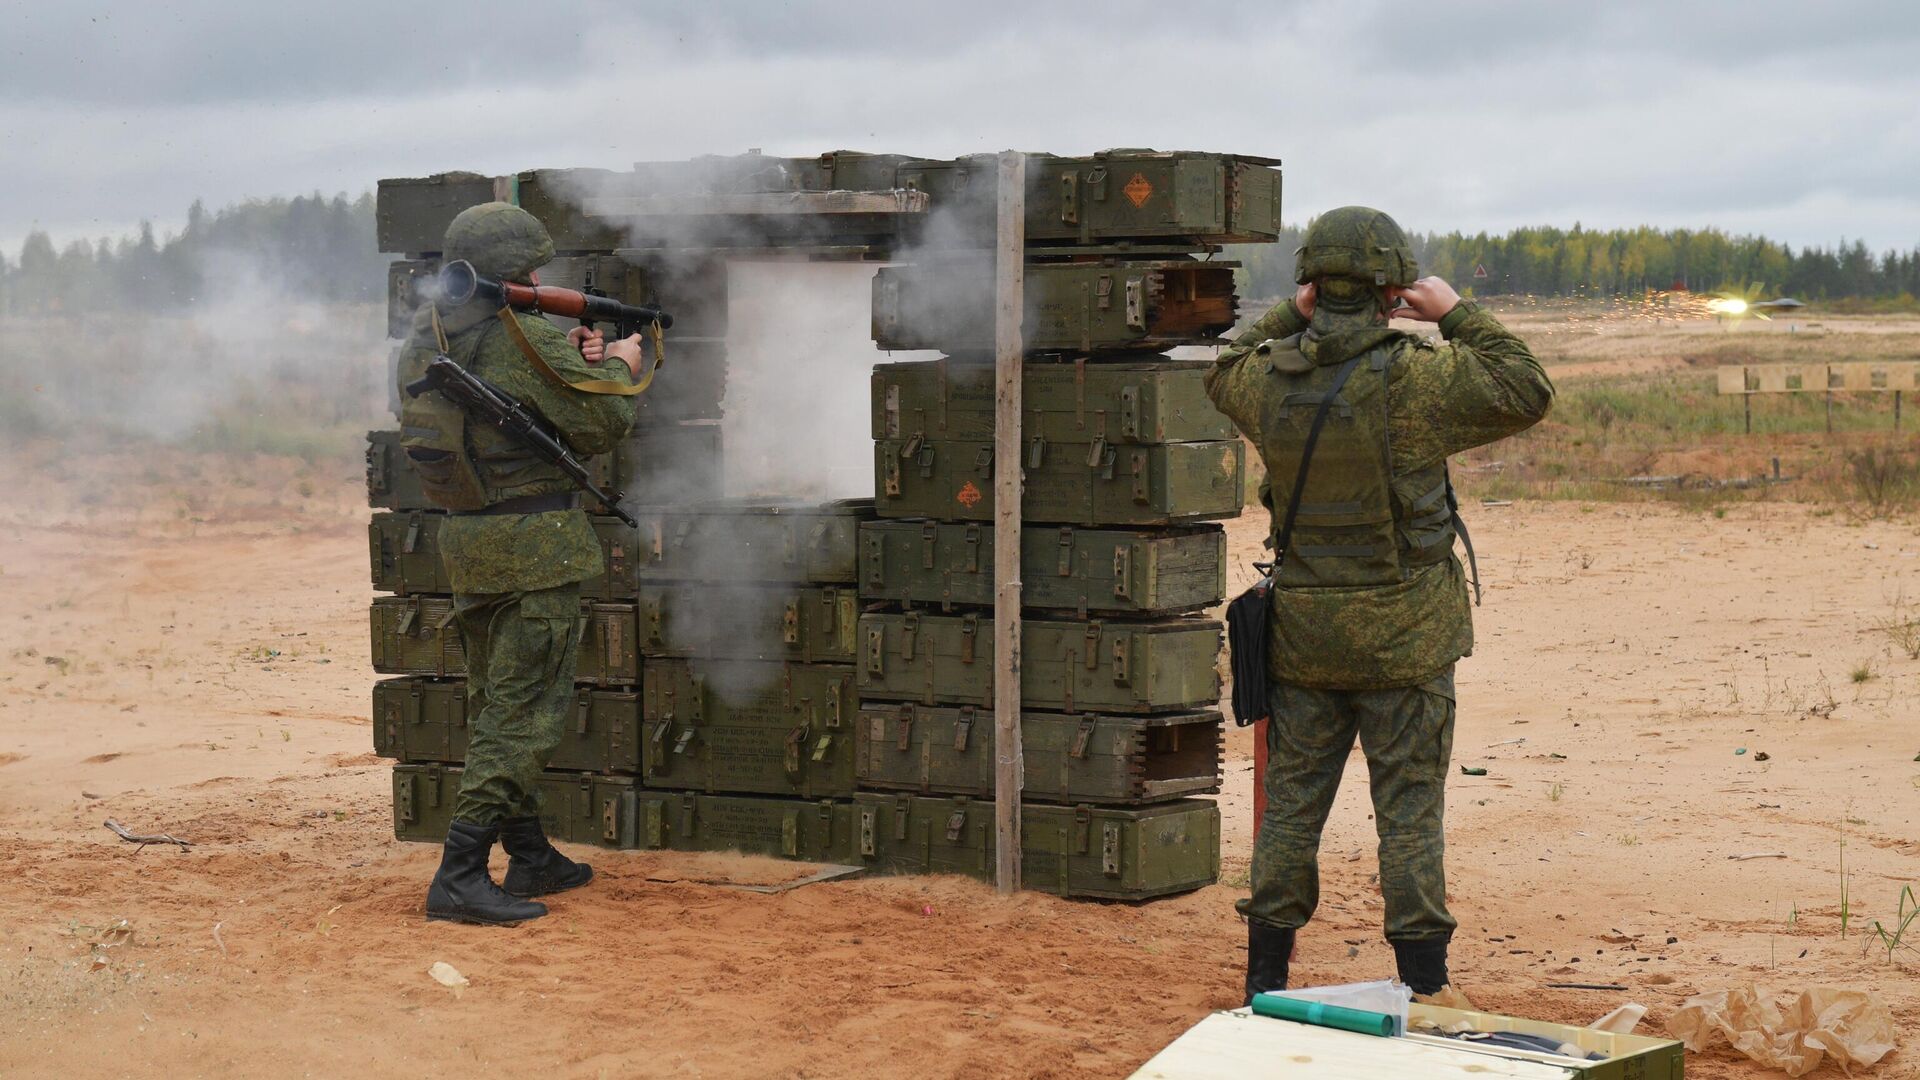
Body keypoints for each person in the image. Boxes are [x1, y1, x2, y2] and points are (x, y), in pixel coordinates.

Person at [1205, 207, 1554, 998]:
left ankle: (1265, 977)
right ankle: (1422, 987)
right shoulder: (1420, 378)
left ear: (1311, 284)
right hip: (1407, 636)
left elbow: (1220, 367)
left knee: (1291, 809)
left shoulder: (1268, 380)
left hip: (1307, 637)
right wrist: (1455, 311)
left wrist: (1282, 316)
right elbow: (1527, 387)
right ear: (1392, 287)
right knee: (1408, 812)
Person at [399, 202, 647, 925]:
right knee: (522, 715)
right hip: (534, 553)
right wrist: (623, 364)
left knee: (498, 701)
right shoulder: (523, 337)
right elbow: (604, 421)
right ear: (520, 272)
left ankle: (530, 852)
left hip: (470, 545)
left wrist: (574, 358)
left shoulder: (426, 337)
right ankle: (460, 874)